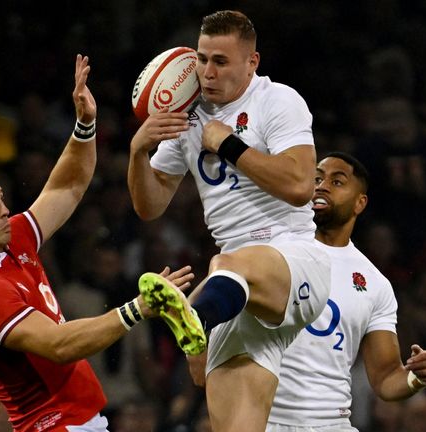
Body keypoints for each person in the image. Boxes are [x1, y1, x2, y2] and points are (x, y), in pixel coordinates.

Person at [0, 54, 194, 432]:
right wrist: (137, 309)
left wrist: (84, 125)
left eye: (1, 199)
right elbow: (59, 346)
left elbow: (67, 186)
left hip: (78, 420)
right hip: (55, 424)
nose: (5, 210)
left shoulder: (12, 237)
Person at [128, 10, 331, 431]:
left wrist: (230, 145)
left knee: (227, 265)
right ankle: (200, 322)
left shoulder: (278, 101)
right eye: (202, 59)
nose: (207, 71)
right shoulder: (187, 116)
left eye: (220, 61)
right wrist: (137, 153)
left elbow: (299, 186)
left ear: (251, 63)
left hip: (293, 259)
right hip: (235, 290)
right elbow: (149, 206)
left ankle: (196, 318)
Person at [266, 152, 426, 431]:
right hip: (267, 419)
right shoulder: (274, 249)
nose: (321, 186)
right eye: (317, 178)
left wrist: (415, 377)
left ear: (360, 203)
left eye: (337, 182)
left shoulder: (374, 283)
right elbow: (227, 278)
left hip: (332, 423)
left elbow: (385, 378)